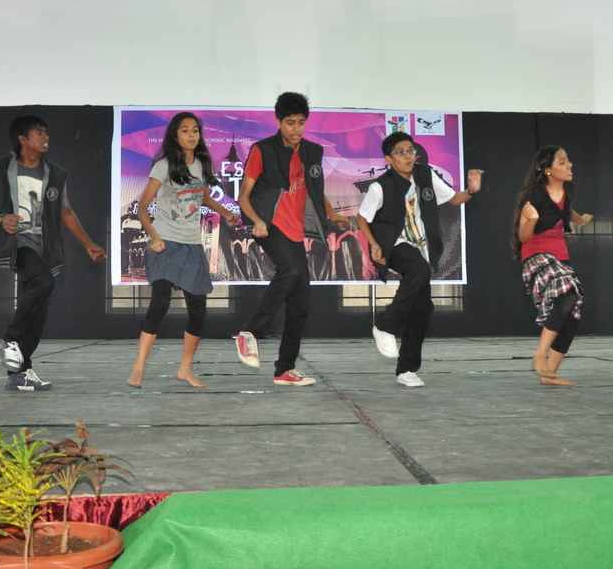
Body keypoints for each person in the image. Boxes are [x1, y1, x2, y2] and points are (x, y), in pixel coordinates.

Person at [0, 115, 106, 392]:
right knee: (44, 282)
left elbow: (66, 212)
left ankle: (19, 372)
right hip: (17, 243)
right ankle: (10, 339)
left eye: (47, 133)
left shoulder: (55, 174)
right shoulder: (1, 167)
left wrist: (88, 243)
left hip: (45, 248)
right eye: (39, 133)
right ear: (23, 139)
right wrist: (1, 219)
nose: (46, 137)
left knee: (38, 314)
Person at [232, 92, 349, 387]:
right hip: (269, 225)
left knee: (301, 304)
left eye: (300, 123)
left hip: (296, 230)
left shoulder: (312, 152)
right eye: (290, 123)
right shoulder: (262, 150)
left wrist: (332, 215)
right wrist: (257, 221)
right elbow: (243, 197)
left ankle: (284, 369)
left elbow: (315, 190)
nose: (296, 129)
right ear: (278, 121)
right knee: (292, 270)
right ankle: (250, 333)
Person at [356, 131, 482, 387]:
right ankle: (385, 325)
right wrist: (374, 244)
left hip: (421, 246)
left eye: (410, 151)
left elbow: (454, 199)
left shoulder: (425, 175)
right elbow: (362, 218)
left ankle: (406, 369)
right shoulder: (380, 187)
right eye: (401, 152)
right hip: (393, 244)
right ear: (389, 159)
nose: (408, 156)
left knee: (423, 308)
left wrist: (471, 190)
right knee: (418, 268)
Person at [127, 112, 238, 389]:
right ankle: (138, 366)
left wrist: (225, 212)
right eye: (185, 130)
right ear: (175, 135)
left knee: (198, 310)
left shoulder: (200, 164)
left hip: (191, 245)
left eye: (195, 130)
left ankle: (185, 369)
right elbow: (142, 208)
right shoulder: (163, 166)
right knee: (160, 302)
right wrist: (153, 237)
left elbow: (202, 196)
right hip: (165, 242)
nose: (191, 135)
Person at [512, 146, 592, 386]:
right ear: (548, 170)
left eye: (568, 160)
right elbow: (523, 236)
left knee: (574, 310)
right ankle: (539, 356)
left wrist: (580, 219)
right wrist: (532, 219)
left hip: (560, 256)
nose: (570, 165)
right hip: (537, 255)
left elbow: (566, 210)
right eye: (562, 162)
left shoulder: (568, 189)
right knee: (567, 295)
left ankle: (550, 374)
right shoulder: (533, 196)